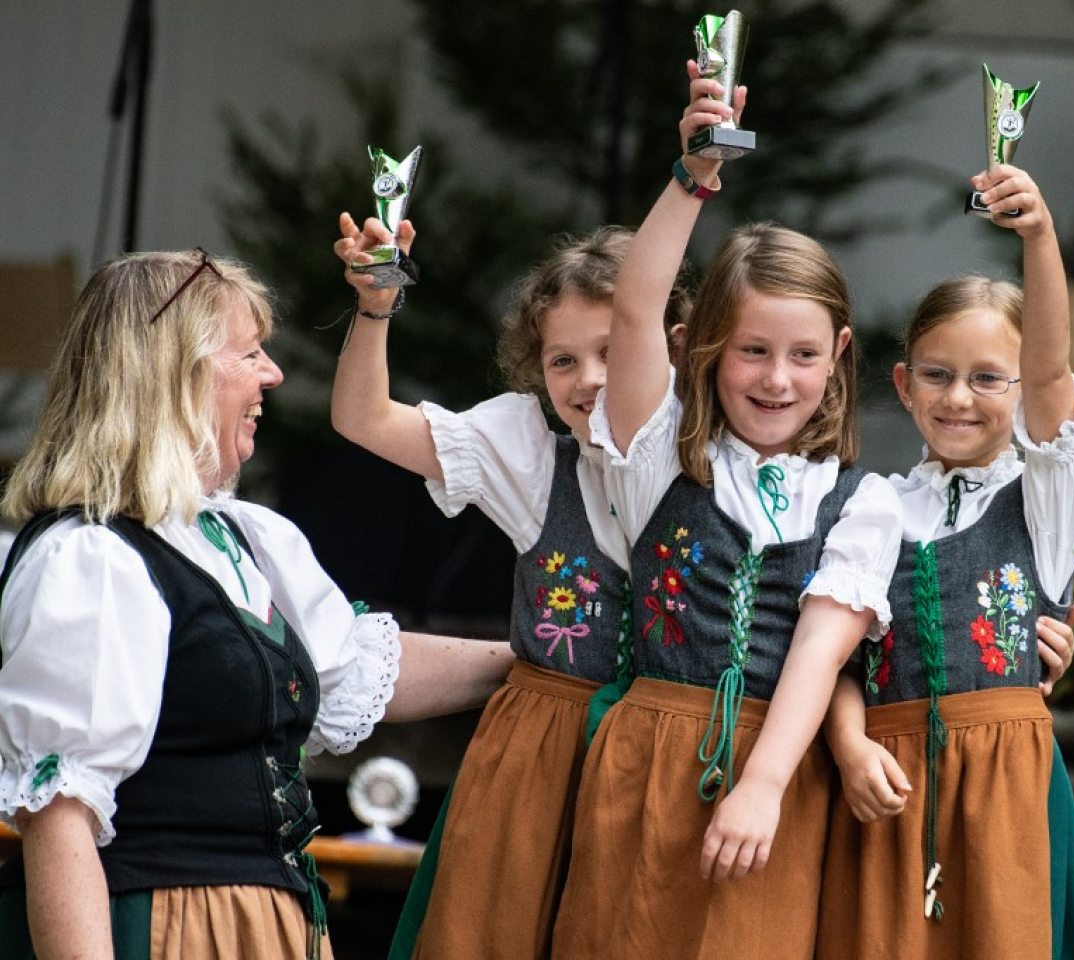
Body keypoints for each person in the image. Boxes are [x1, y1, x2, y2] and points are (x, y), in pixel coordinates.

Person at [0, 249, 513, 960]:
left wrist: (536, 660)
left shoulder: (246, 539)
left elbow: (359, 672)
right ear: (175, 376)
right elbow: (60, 818)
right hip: (163, 924)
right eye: (249, 354)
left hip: (271, 924)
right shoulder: (89, 559)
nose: (272, 373)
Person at [547, 65, 903, 958]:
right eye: (751, 350)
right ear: (709, 346)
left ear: (839, 356)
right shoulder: (661, 452)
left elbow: (821, 653)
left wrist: (765, 783)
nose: (777, 379)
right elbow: (632, 312)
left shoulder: (865, 503)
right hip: (648, 756)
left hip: (775, 774)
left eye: (802, 354)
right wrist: (693, 177)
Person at [331, 218, 689, 959]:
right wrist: (374, 308)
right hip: (541, 773)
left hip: (666, 772)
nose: (589, 379)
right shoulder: (531, 459)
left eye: (611, 352)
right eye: (563, 360)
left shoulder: (718, 465)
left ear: (671, 347)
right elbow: (363, 418)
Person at [817, 164, 1074, 959]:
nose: (959, 399)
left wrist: (1040, 237)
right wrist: (848, 746)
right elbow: (833, 660)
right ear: (904, 386)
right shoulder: (870, 506)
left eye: (988, 379)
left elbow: (1050, 375)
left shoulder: (1046, 503)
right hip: (885, 786)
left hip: (1006, 792)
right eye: (938, 376)